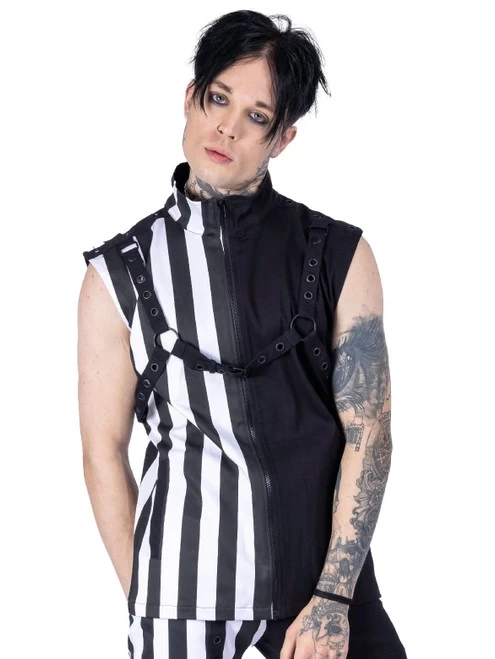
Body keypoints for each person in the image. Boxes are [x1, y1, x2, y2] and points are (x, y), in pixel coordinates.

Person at [77, 9, 407, 659]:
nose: (227, 126)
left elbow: (369, 433)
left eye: (256, 116)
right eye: (218, 98)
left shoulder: (341, 254)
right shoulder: (114, 275)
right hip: (181, 600)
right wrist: (151, 597)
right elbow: (102, 451)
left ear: (282, 138)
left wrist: (334, 597)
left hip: (320, 592)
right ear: (190, 98)